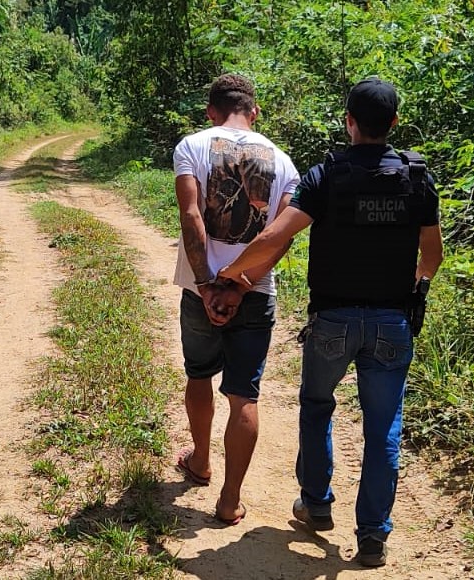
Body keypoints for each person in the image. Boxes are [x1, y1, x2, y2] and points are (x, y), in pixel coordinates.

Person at [219, 77, 444, 566]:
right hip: (392, 321)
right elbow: (432, 256)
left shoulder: (326, 176)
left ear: (349, 122)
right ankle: (373, 535)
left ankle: (317, 504)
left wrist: (231, 273)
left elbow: (275, 237)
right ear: (394, 123)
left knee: (318, 404)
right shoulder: (416, 178)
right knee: (383, 428)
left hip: (332, 320)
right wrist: (413, 288)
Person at [172, 73, 300, 525]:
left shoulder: (191, 147)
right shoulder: (284, 162)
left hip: (199, 289)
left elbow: (191, 214)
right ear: (254, 111)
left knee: (199, 374)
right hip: (256, 291)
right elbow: (279, 236)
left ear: (212, 111)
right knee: (244, 395)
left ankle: (201, 461)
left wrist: (207, 283)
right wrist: (243, 284)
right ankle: (229, 500)